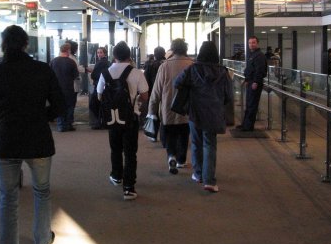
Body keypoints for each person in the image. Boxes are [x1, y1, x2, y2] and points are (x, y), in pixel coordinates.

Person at [0, 25, 65, 244]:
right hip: (38, 140)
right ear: (26, 44)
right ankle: (41, 240)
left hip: (6, 143)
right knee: (42, 191)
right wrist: (43, 117)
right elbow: (60, 104)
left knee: (8, 201)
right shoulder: (42, 70)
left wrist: (2, 121)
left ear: (4, 45)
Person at [175, 41, 232, 192]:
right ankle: (210, 181)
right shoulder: (223, 72)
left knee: (196, 143)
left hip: (195, 112)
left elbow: (177, 82)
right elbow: (229, 96)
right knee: (210, 144)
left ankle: (198, 174)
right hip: (214, 113)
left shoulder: (192, 69)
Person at [97, 41, 149, 200]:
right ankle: (129, 188)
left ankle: (116, 176)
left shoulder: (105, 72)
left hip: (113, 117)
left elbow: (99, 95)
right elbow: (145, 95)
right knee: (130, 152)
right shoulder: (137, 73)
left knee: (115, 148)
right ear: (129, 56)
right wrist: (135, 100)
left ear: (114, 56)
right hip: (130, 117)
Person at [147, 38, 193, 175]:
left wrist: (152, 110)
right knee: (184, 134)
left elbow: (156, 90)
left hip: (168, 108)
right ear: (186, 49)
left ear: (172, 49)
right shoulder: (192, 65)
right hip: (186, 109)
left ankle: (171, 155)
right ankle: (181, 160)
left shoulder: (164, 66)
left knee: (170, 134)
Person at [236, 36, 267, 132]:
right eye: (250, 43)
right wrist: (246, 80)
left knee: (252, 105)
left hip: (254, 83)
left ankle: (248, 126)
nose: (251, 44)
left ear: (257, 43)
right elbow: (250, 69)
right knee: (249, 104)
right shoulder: (252, 55)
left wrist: (256, 82)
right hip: (250, 82)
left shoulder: (259, 55)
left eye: (253, 42)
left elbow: (260, 70)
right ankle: (245, 124)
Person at [50, 43, 79, 131]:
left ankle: (60, 125)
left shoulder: (53, 61)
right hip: (69, 88)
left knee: (59, 106)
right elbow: (75, 76)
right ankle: (68, 124)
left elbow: (50, 75)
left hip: (57, 88)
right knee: (69, 106)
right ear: (68, 51)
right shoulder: (71, 62)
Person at [88, 46, 110, 129]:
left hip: (99, 85)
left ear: (104, 53)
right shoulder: (107, 62)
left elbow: (94, 75)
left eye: (101, 52)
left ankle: (99, 122)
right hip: (104, 85)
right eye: (98, 52)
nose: (99, 54)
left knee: (94, 104)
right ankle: (103, 122)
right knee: (101, 104)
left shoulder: (101, 62)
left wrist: (92, 73)